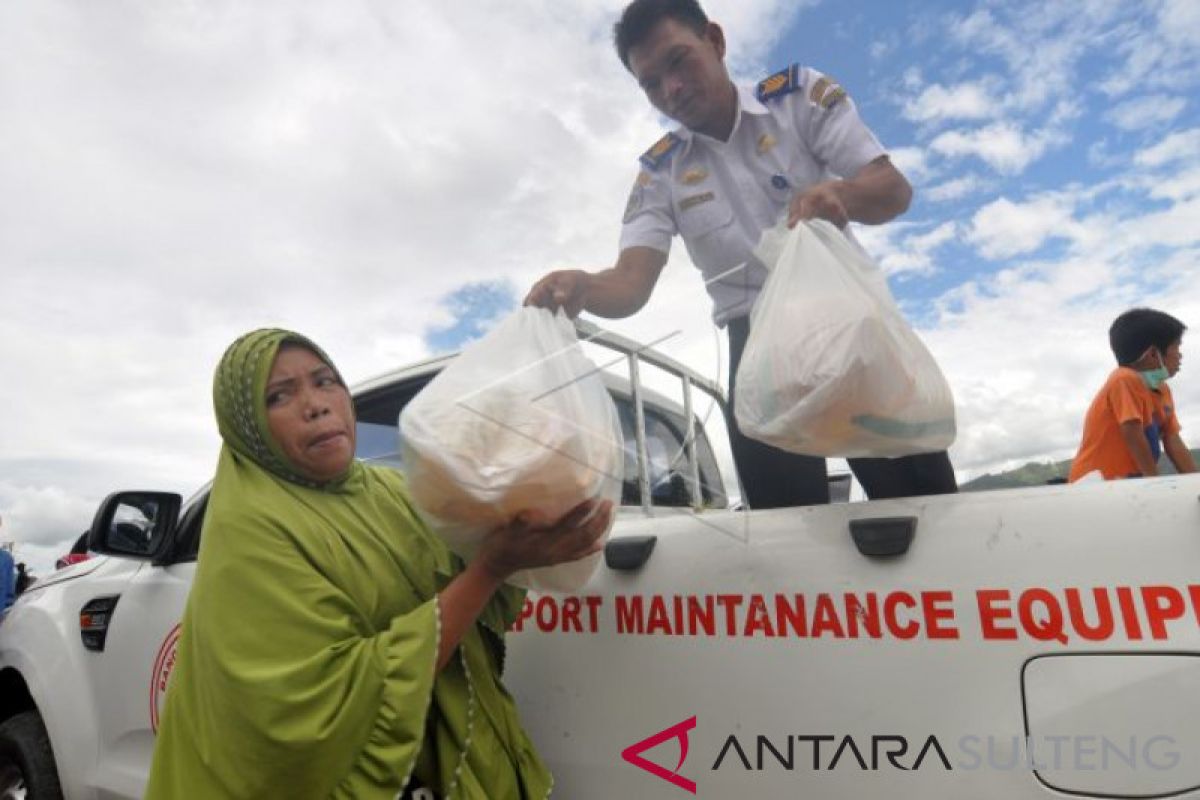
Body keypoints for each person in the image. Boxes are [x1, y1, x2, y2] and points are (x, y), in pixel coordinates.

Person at [525, 0, 956, 508]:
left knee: (927, 508)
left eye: (679, 61)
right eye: (652, 83)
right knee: (785, 530)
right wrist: (582, 286)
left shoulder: (798, 99)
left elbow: (892, 190)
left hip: (844, 323)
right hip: (755, 351)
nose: (672, 89)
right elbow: (630, 282)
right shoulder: (658, 173)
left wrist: (842, 195)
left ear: (717, 41)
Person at [145, 329, 611, 799]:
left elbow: (468, 570)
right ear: (247, 425)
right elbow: (314, 709)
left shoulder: (388, 489)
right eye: (279, 396)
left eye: (325, 381)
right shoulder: (251, 528)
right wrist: (490, 569)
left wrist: (536, 494)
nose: (315, 405)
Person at [1069, 308, 1196, 482]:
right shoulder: (1124, 379)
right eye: (1176, 346)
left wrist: (1195, 482)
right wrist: (1153, 482)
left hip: (1130, 483)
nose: (1180, 354)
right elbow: (1131, 431)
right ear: (1153, 354)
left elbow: (1172, 439)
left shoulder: (1162, 390)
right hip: (1095, 483)